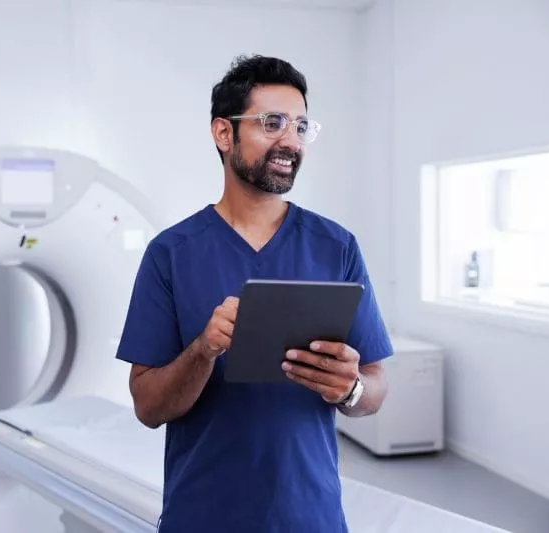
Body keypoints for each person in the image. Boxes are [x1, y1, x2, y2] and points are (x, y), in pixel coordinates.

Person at [114, 54, 393, 533]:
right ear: (224, 134)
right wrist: (203, 350)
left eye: (301, 126)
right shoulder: (171, 254)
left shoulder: (336, 246)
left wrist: (350, 388)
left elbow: (374, 388)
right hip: (202, 516)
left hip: (311, 516)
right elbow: (147, 407)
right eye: (272, 123)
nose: (291, 141)